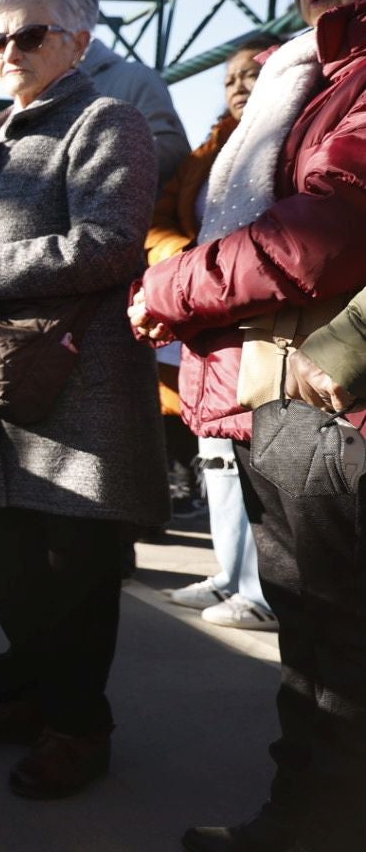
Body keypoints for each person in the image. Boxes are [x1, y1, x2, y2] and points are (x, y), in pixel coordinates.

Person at [132, 0, 366, 852]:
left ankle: (305, 828)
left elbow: (322, 233)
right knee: (319, 645)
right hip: (287, 391)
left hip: (334, 406)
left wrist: (171, 288)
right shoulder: (316, 75)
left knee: (334, 654)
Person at [0, 0, 167, 799]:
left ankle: (78, 727)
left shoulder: (110, 122)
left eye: (29, 34)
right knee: (11, 565)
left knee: (75, 578)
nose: (7, 50)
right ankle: (22, 698)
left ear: (80, 41)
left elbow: (110, 244)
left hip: (75, 399)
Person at [146, 35, 284, 632]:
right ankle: (230, 574)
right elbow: (159, 222)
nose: (237, 85)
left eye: (252, 73)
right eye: (228, 77)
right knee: (218, 456)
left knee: (258, 458)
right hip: (201, 315)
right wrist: (187, 261)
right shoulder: (203, 154)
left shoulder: (289, 139)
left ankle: (265, 591)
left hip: (259, 319)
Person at [76, 0, 191, 188]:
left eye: (33, 33)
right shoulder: (28, 99)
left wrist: (91, 165)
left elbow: (174, 151)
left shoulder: (135, 78)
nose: (13, 51)